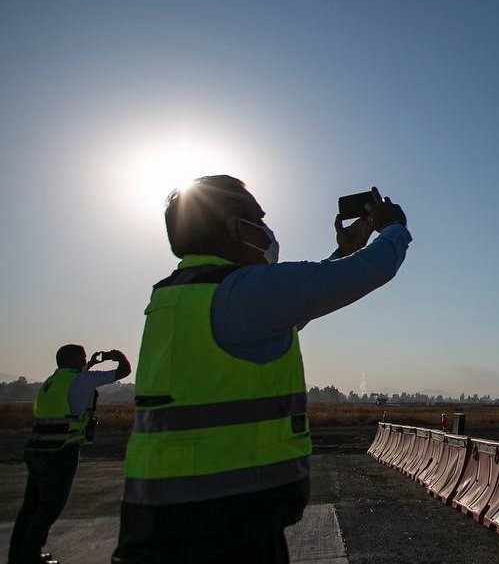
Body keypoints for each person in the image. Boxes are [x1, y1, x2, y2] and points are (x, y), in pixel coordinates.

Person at [112, 176, 411, 564]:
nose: (268, 230)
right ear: (236, 227)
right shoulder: (240, 292)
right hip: (220, 527)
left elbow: (293, 302)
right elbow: (369, 270)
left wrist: (341, 254)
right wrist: (393, 227)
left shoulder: (185, 293)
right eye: (259, 218)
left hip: (170, 514)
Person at [9, 345, 130, 564]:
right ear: (74, 359)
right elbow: (124, 371)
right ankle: (31, 555)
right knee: (50, 505)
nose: (84, 360)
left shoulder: (52, 382)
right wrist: (116, 356)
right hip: (61, 451)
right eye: (82, 357)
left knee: (31, 505)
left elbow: (76, 386)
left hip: (37, 449)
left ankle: (18, 554)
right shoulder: (82, 380)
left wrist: (91, 365)